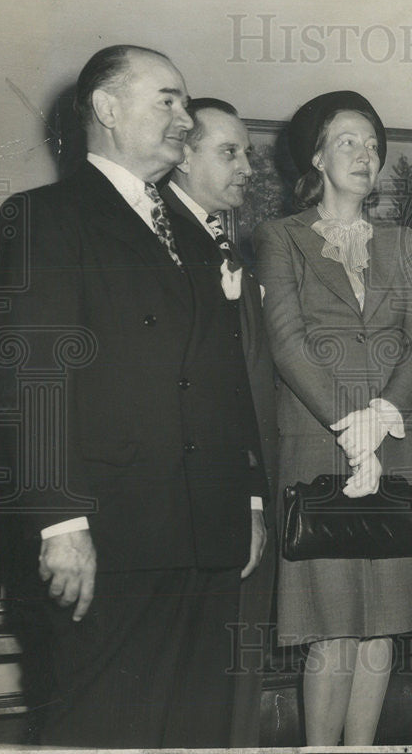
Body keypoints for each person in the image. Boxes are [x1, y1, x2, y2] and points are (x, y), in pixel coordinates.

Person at [0, 45, 267, 747]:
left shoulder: (196, 237)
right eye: (167, 100)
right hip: (109, 541)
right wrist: (59, 524)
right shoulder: (44, 217)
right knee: (102, 730)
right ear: (108, 110)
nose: (185, 116)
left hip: (205, 537)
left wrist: (251, 499)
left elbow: (225, 378)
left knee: (192, 731)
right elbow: (31, 379)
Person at [253, 90, 412, 746]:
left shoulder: (402, 241)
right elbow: (288, 346)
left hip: (398, 446)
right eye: (348, 141)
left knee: (387, 626)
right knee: (332, 627)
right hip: (323, 450)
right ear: (316, 155)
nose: (365, 154)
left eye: (373, 143)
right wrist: (355, 431)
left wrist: (381, 418)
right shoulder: (278, 238)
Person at [159, 97, 278, 747]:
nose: (247, 166)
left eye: (248, 152)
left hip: (240, 498)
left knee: (234, 683)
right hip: (210, 503)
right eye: (228, 152)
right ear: (183, 156)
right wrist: (250, 497)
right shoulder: (165, 244)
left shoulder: (225, 243)